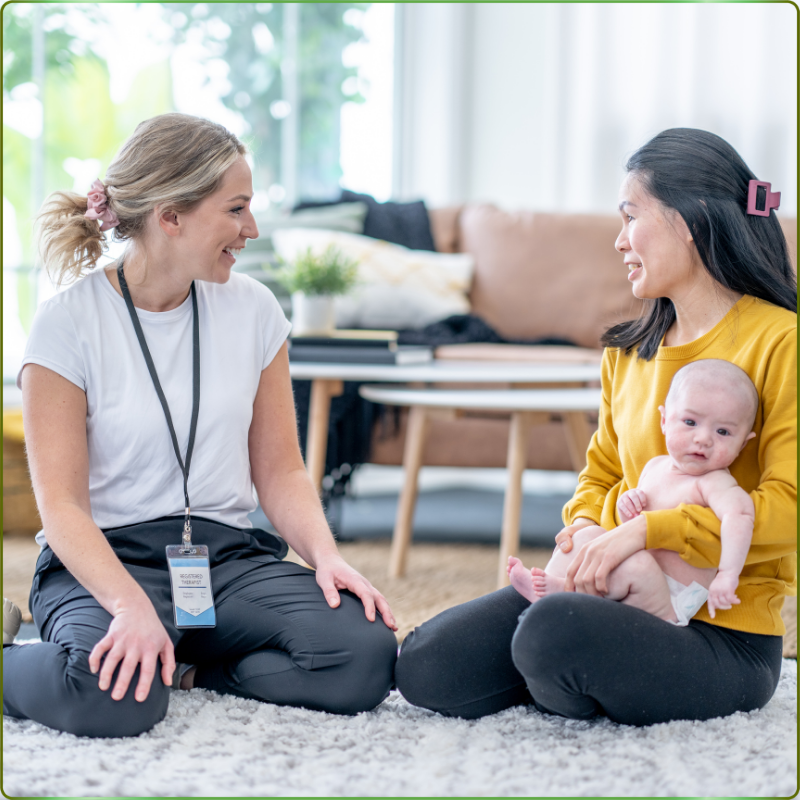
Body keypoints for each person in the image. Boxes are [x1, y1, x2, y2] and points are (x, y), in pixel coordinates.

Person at [2, 113, 398, 738]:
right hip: (106, 561)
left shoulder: (254, 310)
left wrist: (326, 557)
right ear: (171, 217)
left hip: (223, 559)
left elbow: (281, 470)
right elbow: (63, 508)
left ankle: (187, 672)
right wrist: (129, 605)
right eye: (236, 209)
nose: (252, 229)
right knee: (109, 698)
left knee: (363, 654)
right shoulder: (67, 323)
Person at [395, 128, 796, 726]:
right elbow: (600, 474)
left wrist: (645, 531)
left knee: (550, 634)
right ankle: (574, 673)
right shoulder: (626, 353)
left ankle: (566, 669)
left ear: (688, 221)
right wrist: (586, 530)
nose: (619, 240)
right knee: (426, 664)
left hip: (725, 637)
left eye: (631, 216)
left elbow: (788, 509)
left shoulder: (781, 341)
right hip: (610, 591)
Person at [508, 359, 758, 625]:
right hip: (632, 578)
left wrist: (728, 574)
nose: (703, 438)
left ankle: (564, 592)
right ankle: (551, 586)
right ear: (664, 420)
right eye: (690, 422)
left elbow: (740, 516)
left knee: (637, 565)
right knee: (588, 535)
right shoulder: (655, 467)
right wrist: (629, 505)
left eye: (723, 431)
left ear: (743, 444)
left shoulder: (714, 482)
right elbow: (632, 528)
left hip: (669, 598)